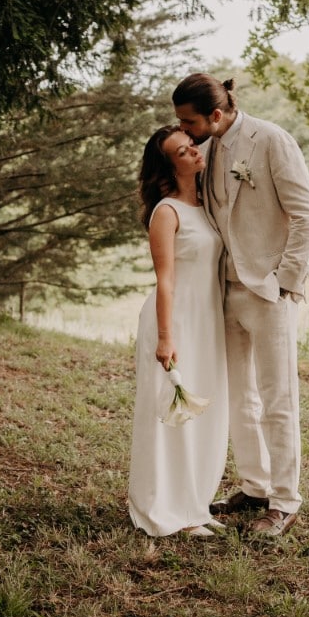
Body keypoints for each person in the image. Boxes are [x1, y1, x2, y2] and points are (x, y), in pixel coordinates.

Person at [172, 73, 309, 538]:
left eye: (188, 121)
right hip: (225, 291)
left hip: (268, 291)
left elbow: (308, 214)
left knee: (279, 399)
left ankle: (284, 501)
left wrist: (283, 281)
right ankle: (255, 487)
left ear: (215, 115)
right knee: (240, 398)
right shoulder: (209, 146)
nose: (183, 129)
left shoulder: (271, 140)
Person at [127, 124, 228, 538]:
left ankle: (194, 503)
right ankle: (166, 510)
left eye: (192, 146)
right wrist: (166, 337)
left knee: (207, 412)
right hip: (175, 320)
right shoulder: (166, 212)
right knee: (171, 416)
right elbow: (165, 280)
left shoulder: (207, 205)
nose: (194, 153)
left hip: (208, 320)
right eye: (183, 152)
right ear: (169, 168)